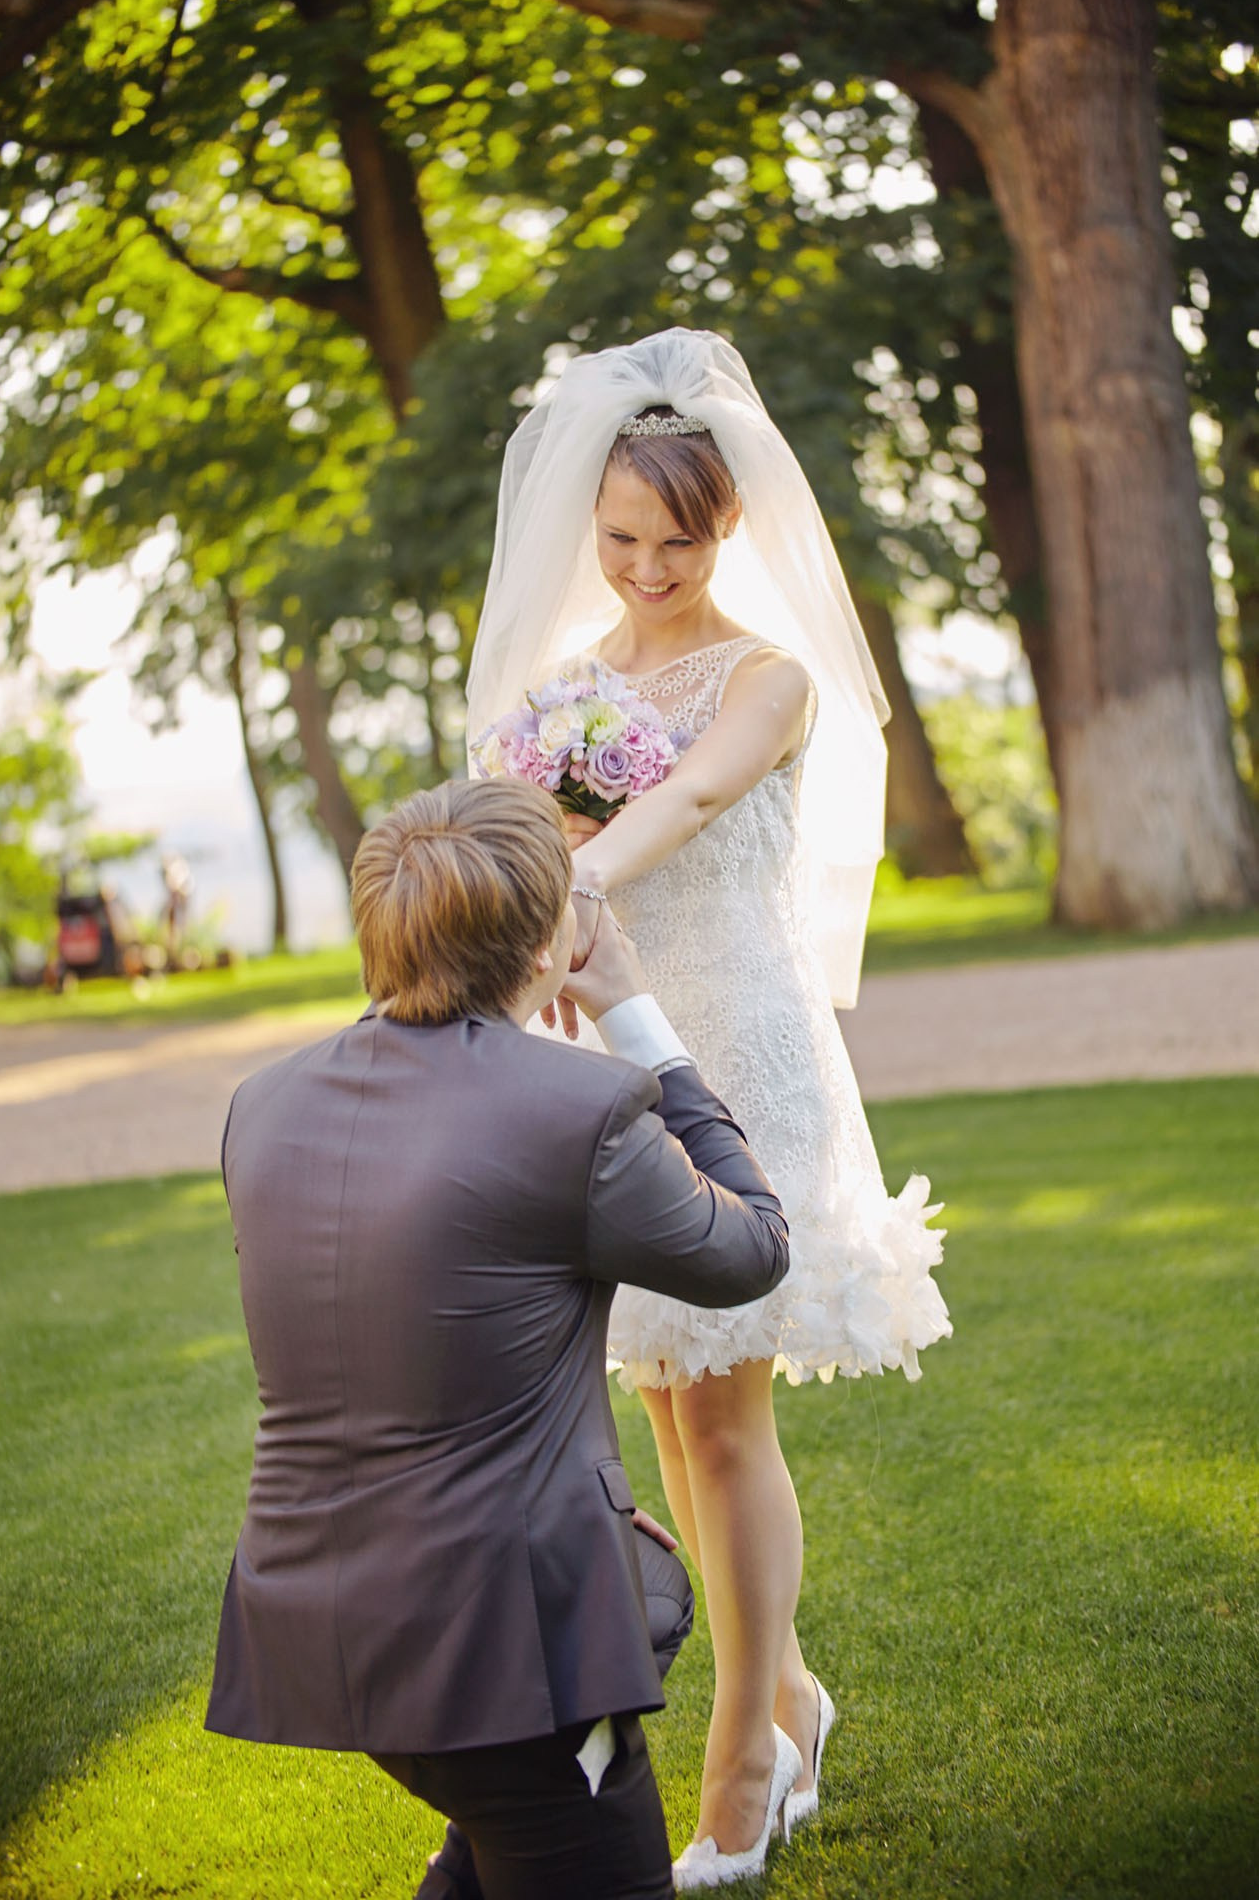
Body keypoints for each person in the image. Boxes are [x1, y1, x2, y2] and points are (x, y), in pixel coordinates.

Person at [466, 329, 952, 1888]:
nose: (648, 564)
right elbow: (515, 810)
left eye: (676, 537)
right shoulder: (560, 696)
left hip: (740, 1047)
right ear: (585, 528)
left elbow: (683, 800)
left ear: (725, 520)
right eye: (619, 539)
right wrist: (525, 906)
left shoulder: (769, 677)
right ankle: (794, 1694)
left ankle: (745, 1747)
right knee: (667, 1409)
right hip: (609, 1068)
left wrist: (566, 886)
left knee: (728, 1416)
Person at [204, 776, 794, 1900]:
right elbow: (754, 1247)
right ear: (545, 945)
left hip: (313, 1606)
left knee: (642, 1598)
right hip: (504, 1649)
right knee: (556, 1797)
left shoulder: (262, 1101)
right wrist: (639, 1022)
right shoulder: (577, 1112)